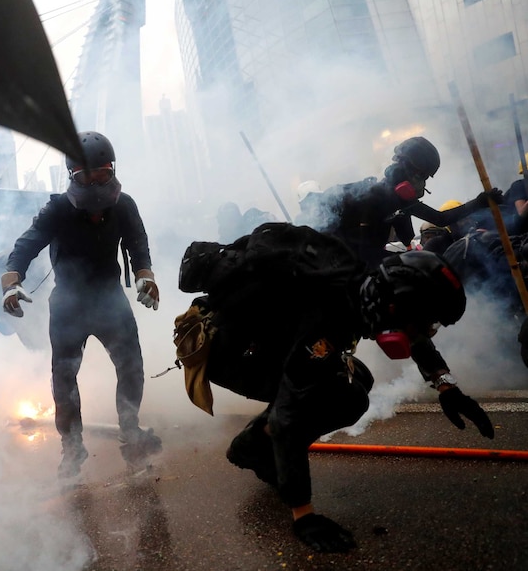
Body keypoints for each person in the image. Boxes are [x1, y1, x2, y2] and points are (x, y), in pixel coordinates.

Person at [180, 226, 494, 553]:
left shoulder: (365, 282)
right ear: (395, 309)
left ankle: (256, 441)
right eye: (426, 322)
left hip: (259, 342)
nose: (426, 331)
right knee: (344, 396)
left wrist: (444, 383)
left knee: (358, 378)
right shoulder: (326, 321)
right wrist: (303, 514)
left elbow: (409, 329)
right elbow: (290, 414)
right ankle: (253, 447)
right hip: (230, 354)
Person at [2, 130, 162, 478]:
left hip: (110, 299)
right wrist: (11, 282)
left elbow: (138, 244)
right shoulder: (57, 208)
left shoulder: (124, 205)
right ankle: (72, 448)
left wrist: (146, 276)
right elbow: (25, 246)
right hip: (68, 304)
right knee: (64, 375)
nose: (94, 184)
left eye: (101, 174)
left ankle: (130, 430)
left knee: (131, 366)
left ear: (112, 170)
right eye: (85, 177)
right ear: (72, 176)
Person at [319, 137, 502, 269]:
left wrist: (479, 202)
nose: (422, 183)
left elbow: (440, 218)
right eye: (422, 176)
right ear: (405, 169)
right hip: (340, 266)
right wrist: (411, 259)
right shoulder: (373, 197)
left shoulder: (399, 199)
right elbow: (366, 254)